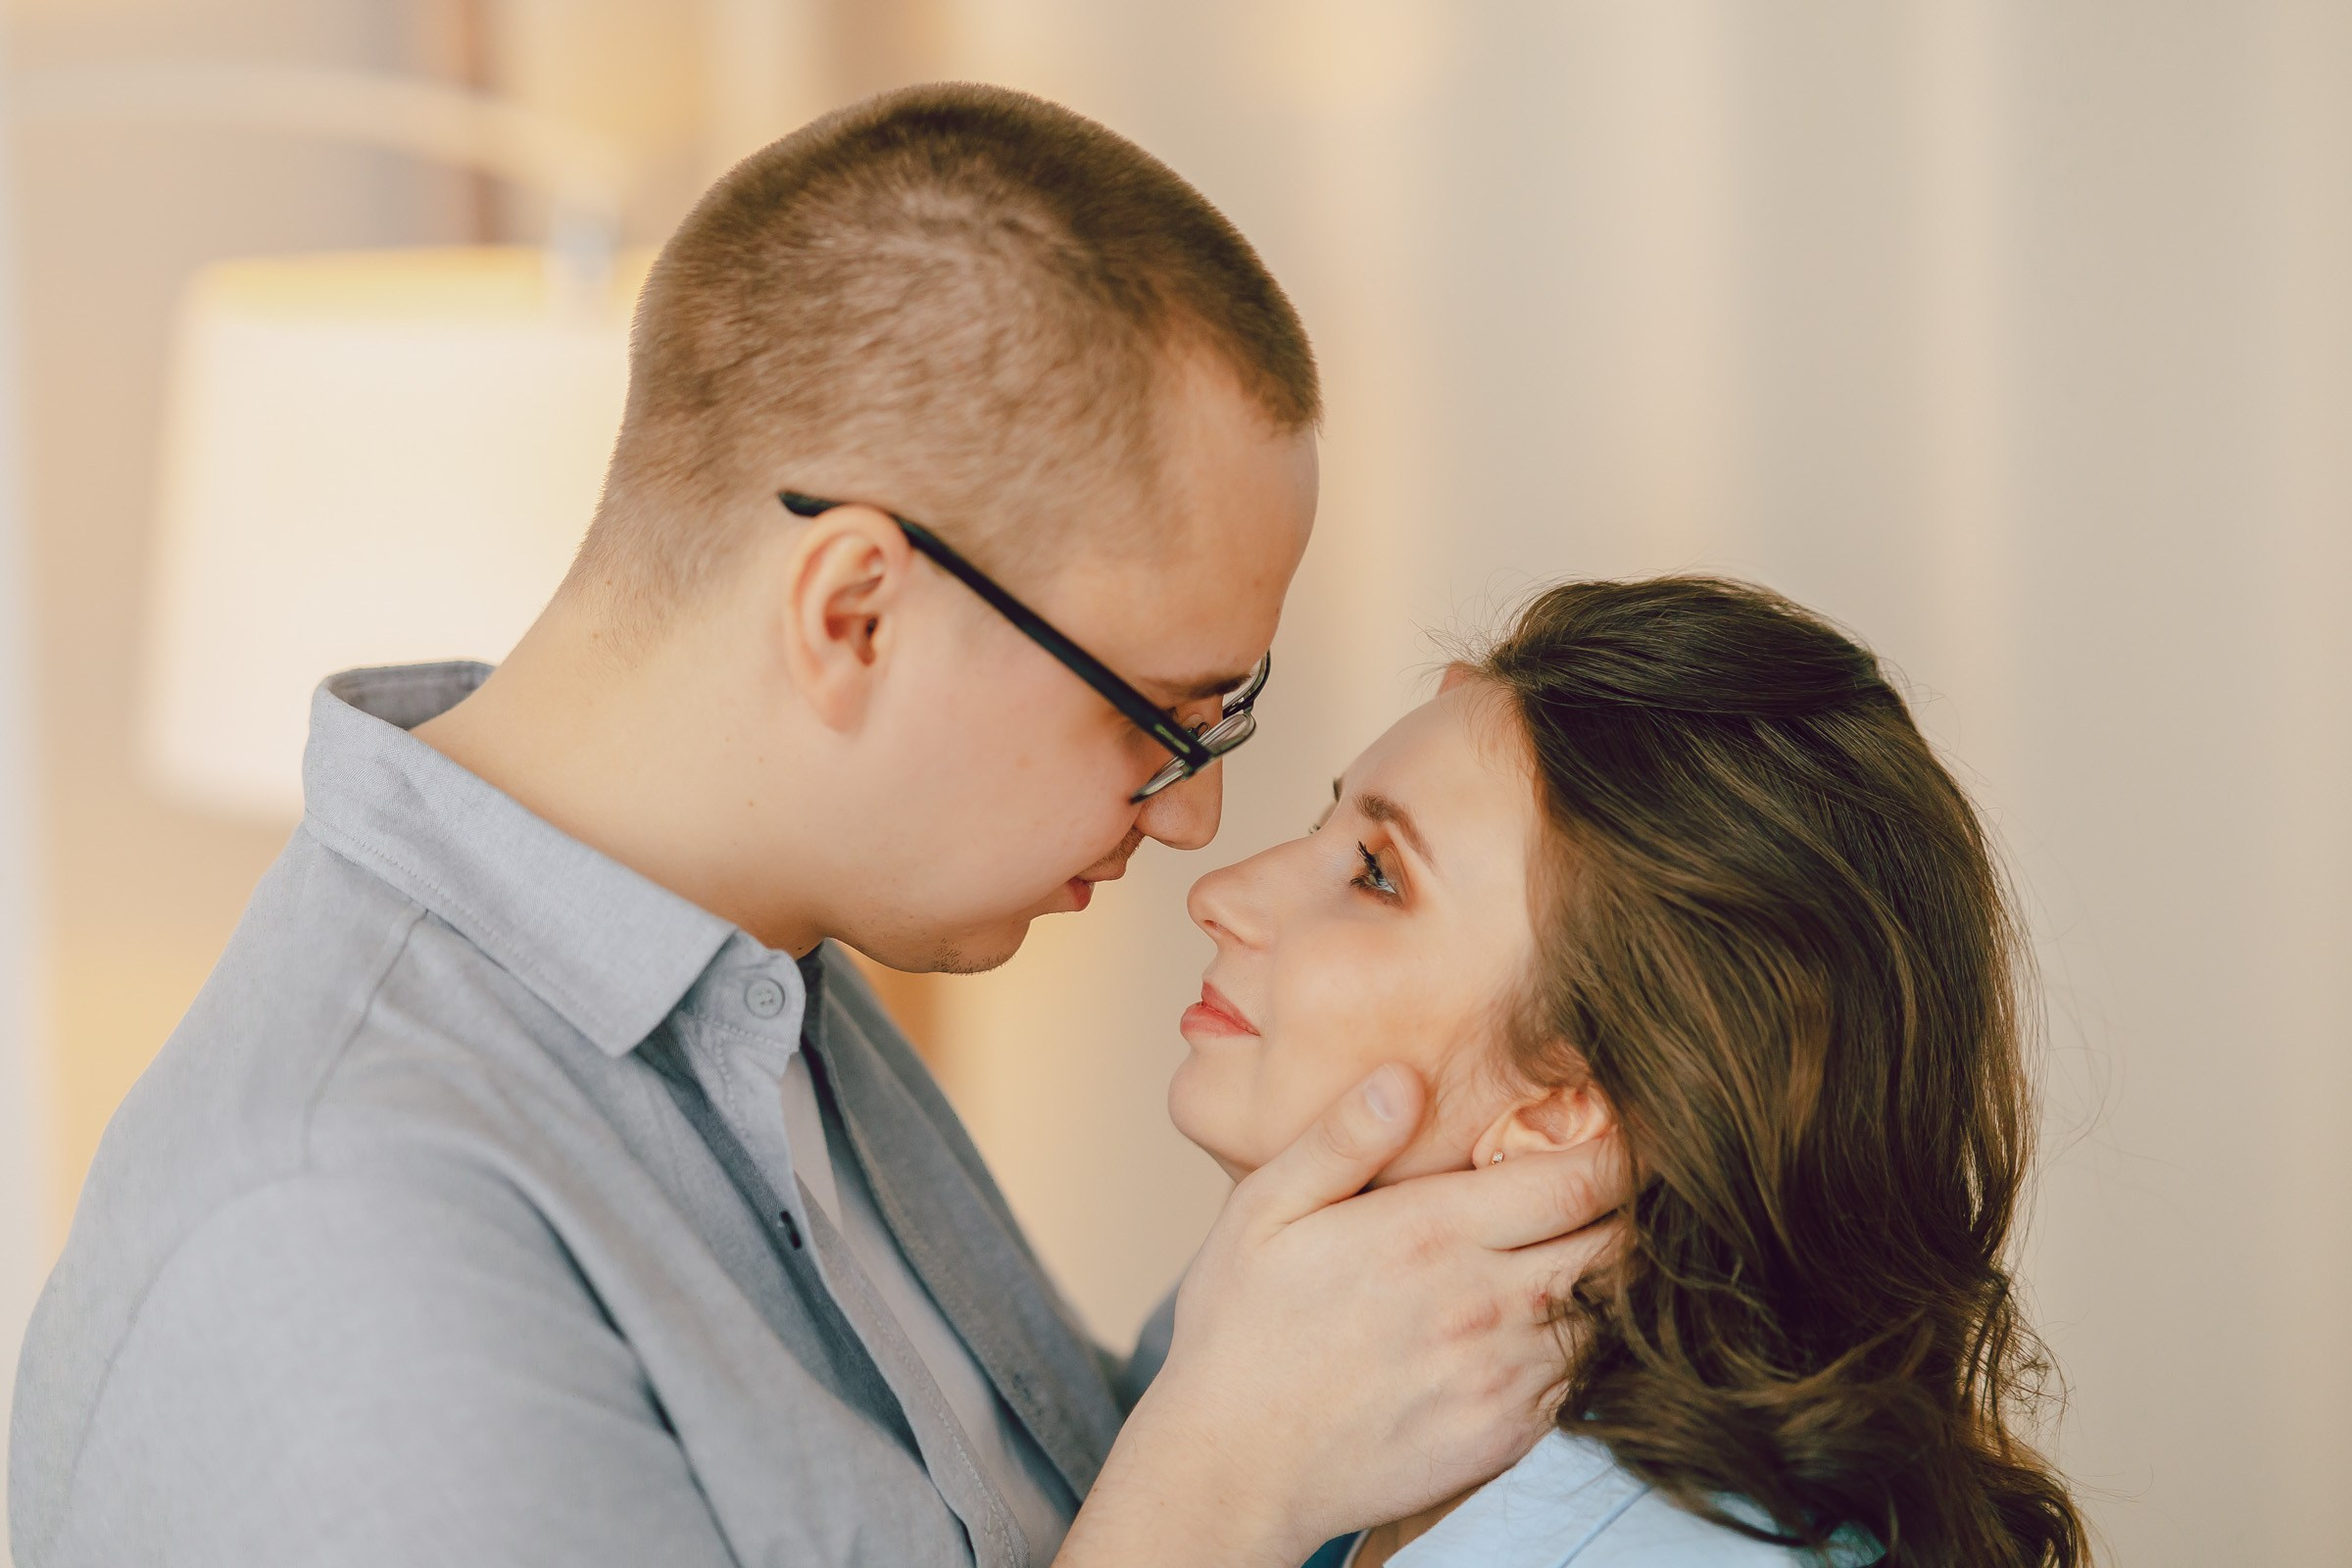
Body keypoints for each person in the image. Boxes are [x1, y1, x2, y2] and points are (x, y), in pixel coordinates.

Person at [7, 86, 1626, 1568]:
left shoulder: (764, 997)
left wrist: (1306, 1313)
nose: (1197, 814)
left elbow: (1042, 1508)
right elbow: (1168, 1510)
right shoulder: (344, 1240)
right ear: (858, 611)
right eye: (1156, 713)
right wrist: (1227, 1493)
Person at [1170, 578, 2091, 1567]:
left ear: (1569, 1107)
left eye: (1377, 873)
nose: (1219, 894)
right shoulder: (1366, 1477)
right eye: (1331, 827)